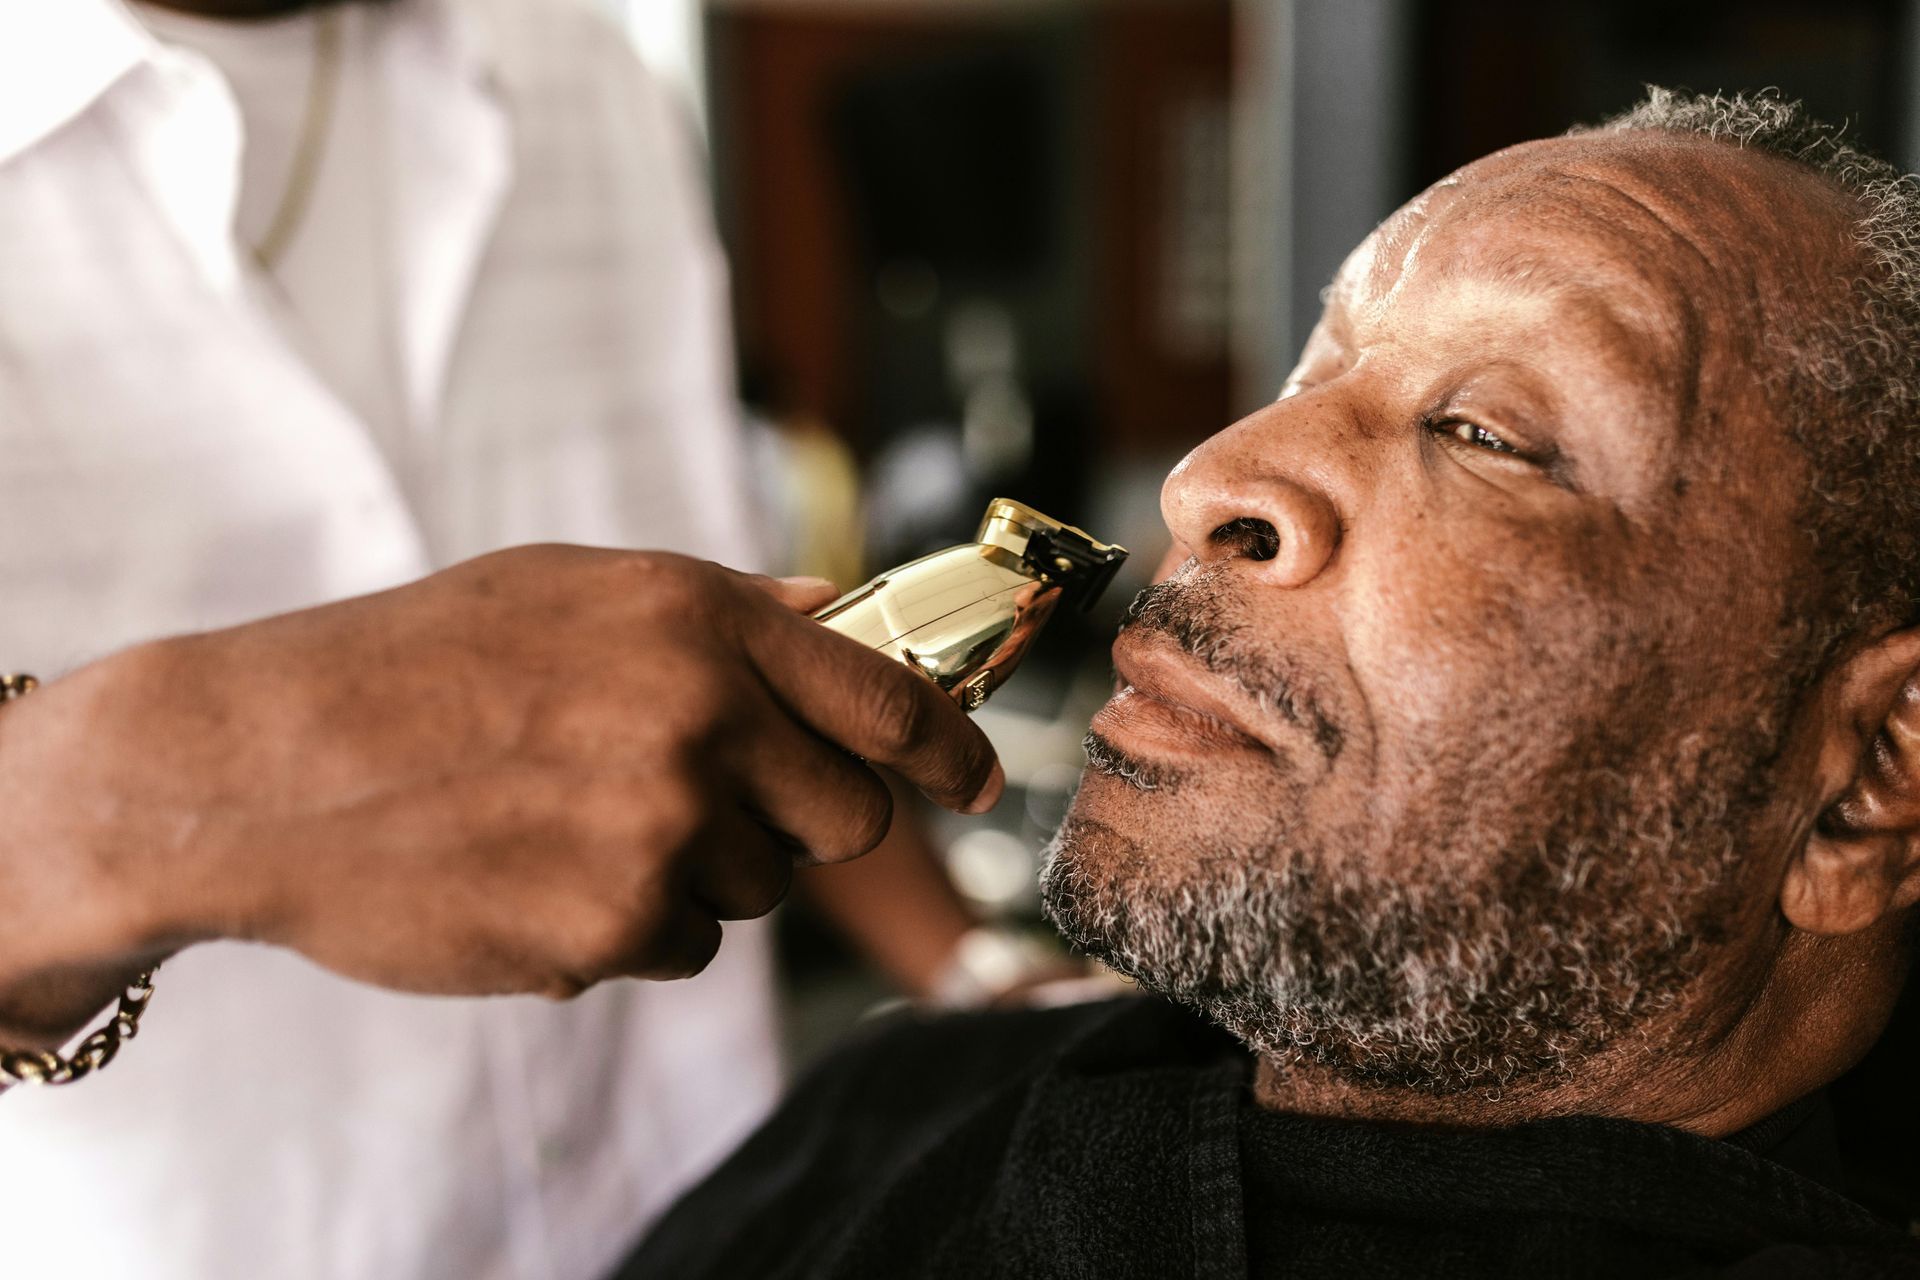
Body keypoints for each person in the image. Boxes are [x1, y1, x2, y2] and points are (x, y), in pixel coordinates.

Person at [621, 89, 1920, 1278]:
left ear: (1866, 778)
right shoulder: (909, 1091)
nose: (1210, 476)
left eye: (1486, 435)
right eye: (1316, 370)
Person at [0, 1, 1008, 1277]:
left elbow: (713, 654)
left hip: (705, 1201)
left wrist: (971, 974)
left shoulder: (581, 63)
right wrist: (223, 761)